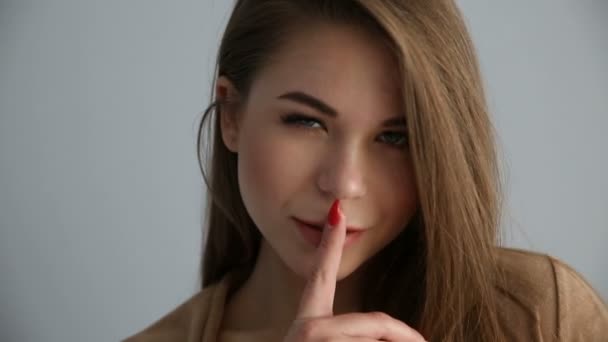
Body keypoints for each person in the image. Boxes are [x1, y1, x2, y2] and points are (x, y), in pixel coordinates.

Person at [123, 0, 608, 341]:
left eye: (395, 137)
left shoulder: (541, 316)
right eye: (306, 121)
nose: (344, 183)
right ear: (231, 116)